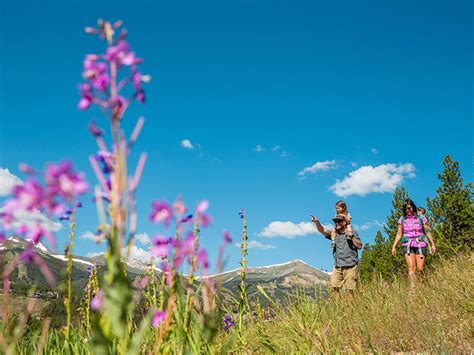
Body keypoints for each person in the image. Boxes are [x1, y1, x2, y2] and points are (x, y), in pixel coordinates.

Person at [311, 213, 362, 296]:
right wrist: (317, 222)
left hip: (351, 266)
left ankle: (350, 308)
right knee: (335, 288)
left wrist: (351, 236)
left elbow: (359, 245)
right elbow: (322, 230)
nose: (337, 223)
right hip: (338, 266)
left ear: (345, 222)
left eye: (339, 221)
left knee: (350, 290)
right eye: (335, 221)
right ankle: (338, 307)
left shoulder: (352, 232)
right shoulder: (334, 234)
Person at [391, 199, 436, 282]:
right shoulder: (402, 219)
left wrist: (432, 244)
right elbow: (399, 233)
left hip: (421, 243)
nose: (408, 210)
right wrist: (394, 246)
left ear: (413, 207)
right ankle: (413, 291)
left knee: (420, 268)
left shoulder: (421, 217)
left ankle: (422, 286)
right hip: (407, 244)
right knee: (411, 268)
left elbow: (427, 231)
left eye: (409, 208)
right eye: (406, 209)